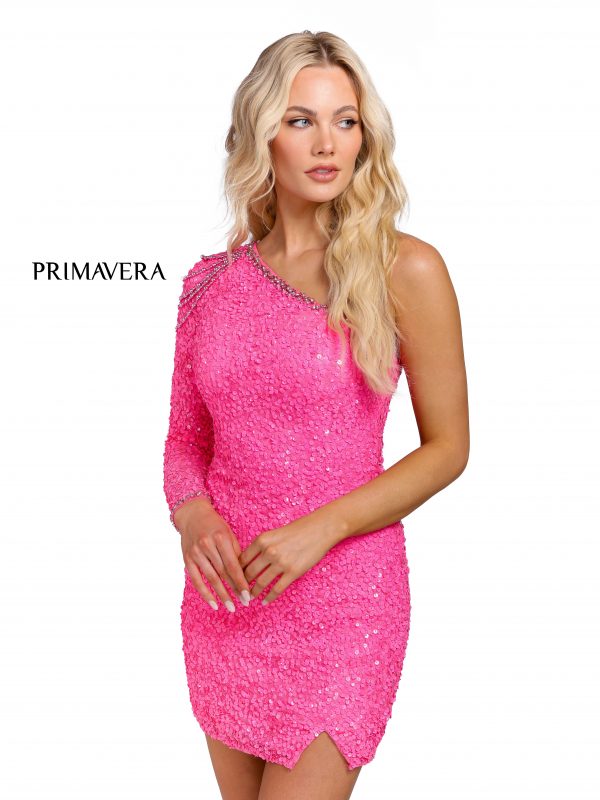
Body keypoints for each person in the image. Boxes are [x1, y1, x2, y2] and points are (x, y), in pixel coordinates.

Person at [162, 29, 469, 800]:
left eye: (346, 120)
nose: (327, 142)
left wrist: (322, 529)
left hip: (344, 602)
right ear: (261, 132)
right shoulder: (208, 286)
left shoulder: (404, 268)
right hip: (228, 600)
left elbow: (448, 448)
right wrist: (193, 516)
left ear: (366, 134)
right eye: (301, 120)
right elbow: (184, 441)